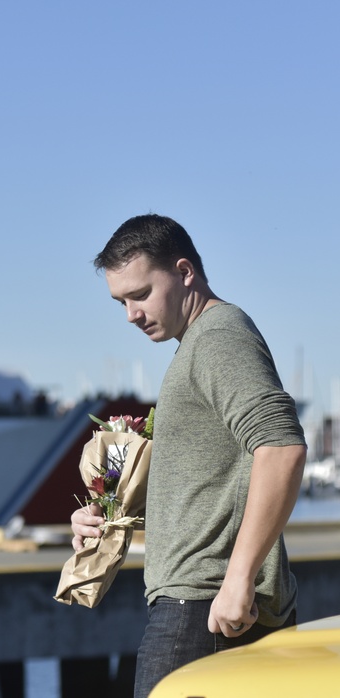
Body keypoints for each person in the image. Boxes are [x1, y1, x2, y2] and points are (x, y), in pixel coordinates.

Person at [72, 214, 306, 698]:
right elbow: (208, 487)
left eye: (140, 294)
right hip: (205, 604)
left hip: (206, 609)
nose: (131, 314)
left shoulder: (218, 336)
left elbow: (281, 447)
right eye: (121, 302)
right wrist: (111, 516)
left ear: (184, 272)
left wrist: (239, 579)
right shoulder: (196, 346)